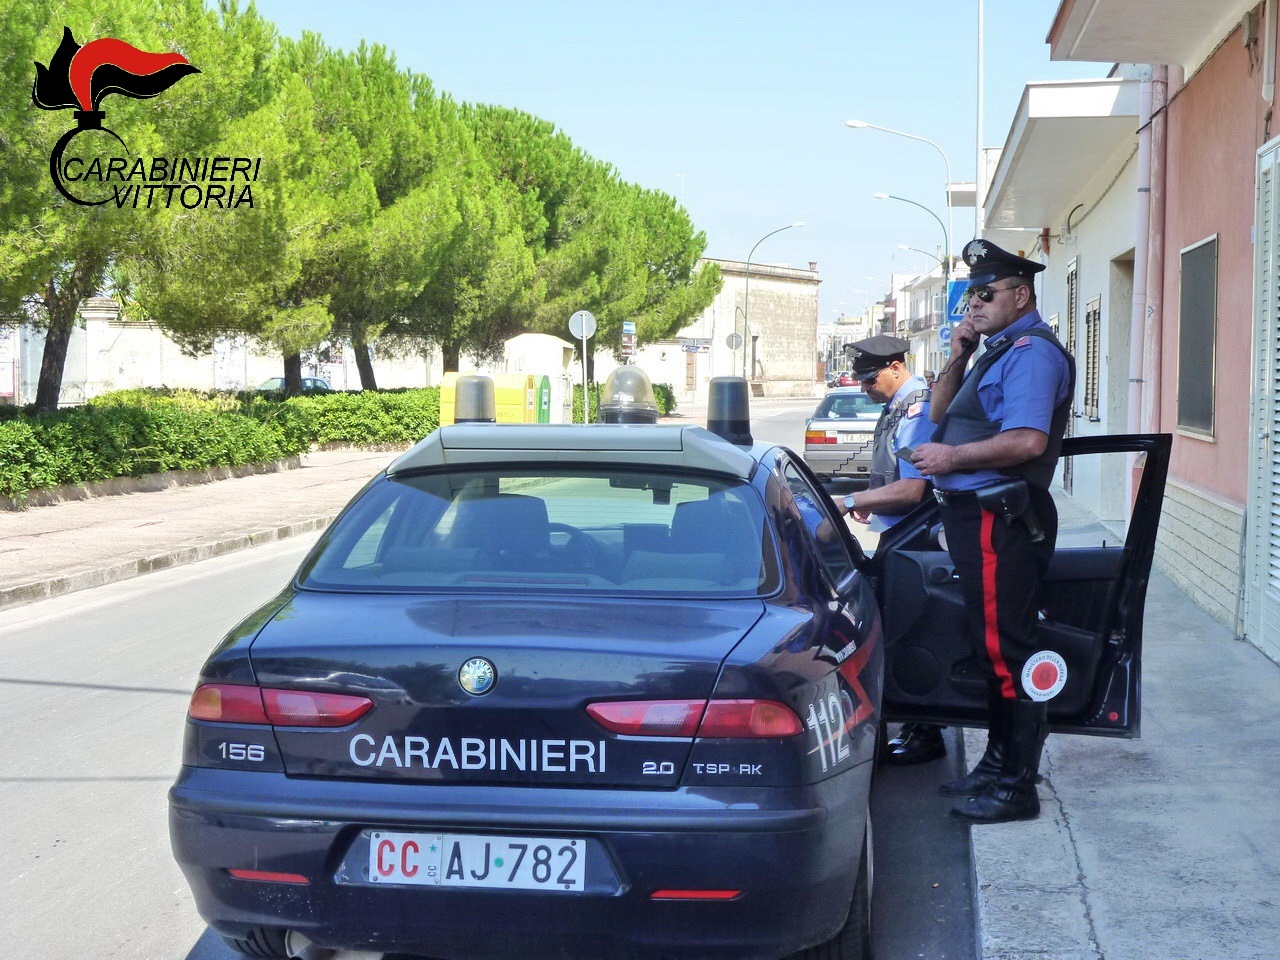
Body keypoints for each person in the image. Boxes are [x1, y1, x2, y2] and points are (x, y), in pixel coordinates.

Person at [908, 238, 1074, 824]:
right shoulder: (994, 349)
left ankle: (1017, 787)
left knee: (1009, 650)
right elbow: (937, 414)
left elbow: (1027, 441)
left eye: (985, 293)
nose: (972, 304)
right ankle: (998, 762)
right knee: (989, 648)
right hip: (975, 517)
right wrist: (959, 352)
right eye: (968, 295)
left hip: (999, 518)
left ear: (1021, 294)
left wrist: (951, 461)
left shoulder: (1031, 353)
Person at [829, 335, 944, 765]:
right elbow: (891, 476)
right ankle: (916, 722)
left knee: (911, 632)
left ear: (897, 366)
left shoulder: (918, 410)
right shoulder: (897, 407)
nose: (864, 387)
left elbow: (914, 489)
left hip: (918, 539)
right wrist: (873, 500)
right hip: (900, 535)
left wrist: (853, 501)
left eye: (870, 377)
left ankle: (925, 730)